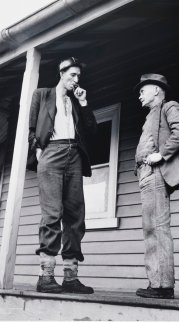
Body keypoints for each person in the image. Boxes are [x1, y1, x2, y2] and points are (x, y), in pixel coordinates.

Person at [28, 57, 97, 294]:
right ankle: (46, 276)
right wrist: (40, 153)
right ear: (61, 72)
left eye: (79, 76)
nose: (76, 80)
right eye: (73, 75)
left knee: (75, 215)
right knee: (52, 213)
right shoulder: (42, 94)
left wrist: (84, 102)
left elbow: (91, 129)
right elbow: (32, 128)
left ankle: (70, 277)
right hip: (51, 153)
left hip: (74, 155)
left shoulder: (76, 101)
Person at [134, 73, 179, 299]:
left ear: (156, 90)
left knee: (158, 228)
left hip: (157, 172)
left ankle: (163, 285)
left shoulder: (169, 107)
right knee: (150, 228)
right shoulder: (150, 116)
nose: (139, 95)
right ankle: (156, 283)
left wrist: (162, 154)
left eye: (142, 90)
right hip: (146, 174)